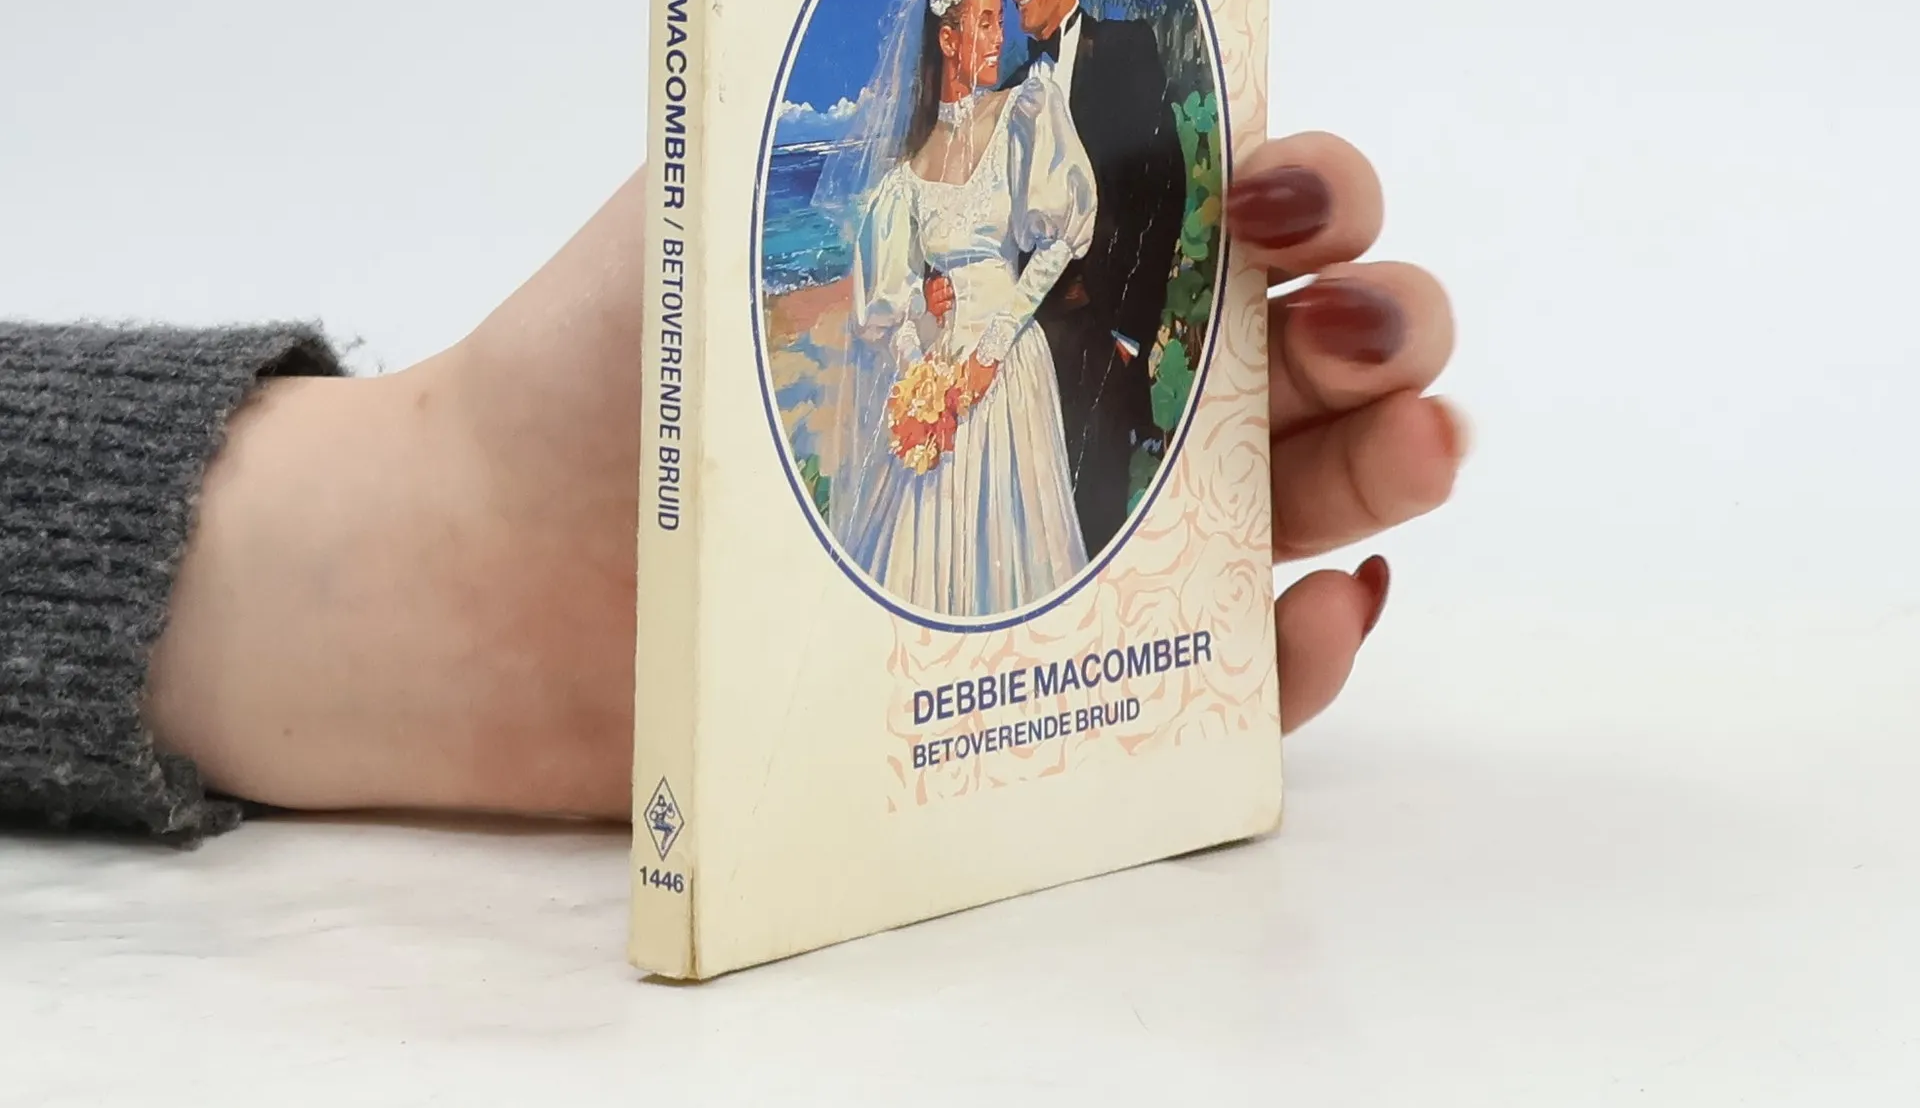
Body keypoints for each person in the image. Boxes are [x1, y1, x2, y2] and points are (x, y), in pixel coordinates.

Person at [0, 131, 1462, 839]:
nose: (983, 27)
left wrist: (433, 507)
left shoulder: (1037, 132)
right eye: (963, 15)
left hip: (1005, 386)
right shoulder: (914, 170)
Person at [835, 0, 1096, 616]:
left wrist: (992, 349)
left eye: (1000, 21)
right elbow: (889, 310)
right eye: (984, 23)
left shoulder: (1022, 112)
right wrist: (921, 363)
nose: (999, 37)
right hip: (943, 377)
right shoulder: (906, 179)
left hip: (1007, 366)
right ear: (948, 40)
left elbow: (1060, 238)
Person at [985, 0, 1190, 559]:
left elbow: (1164, 190)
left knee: (1097, 531)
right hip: (1028, 351)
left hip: (1103, 341)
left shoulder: (1127, 49)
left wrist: (1129, 333)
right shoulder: (1010, 91)